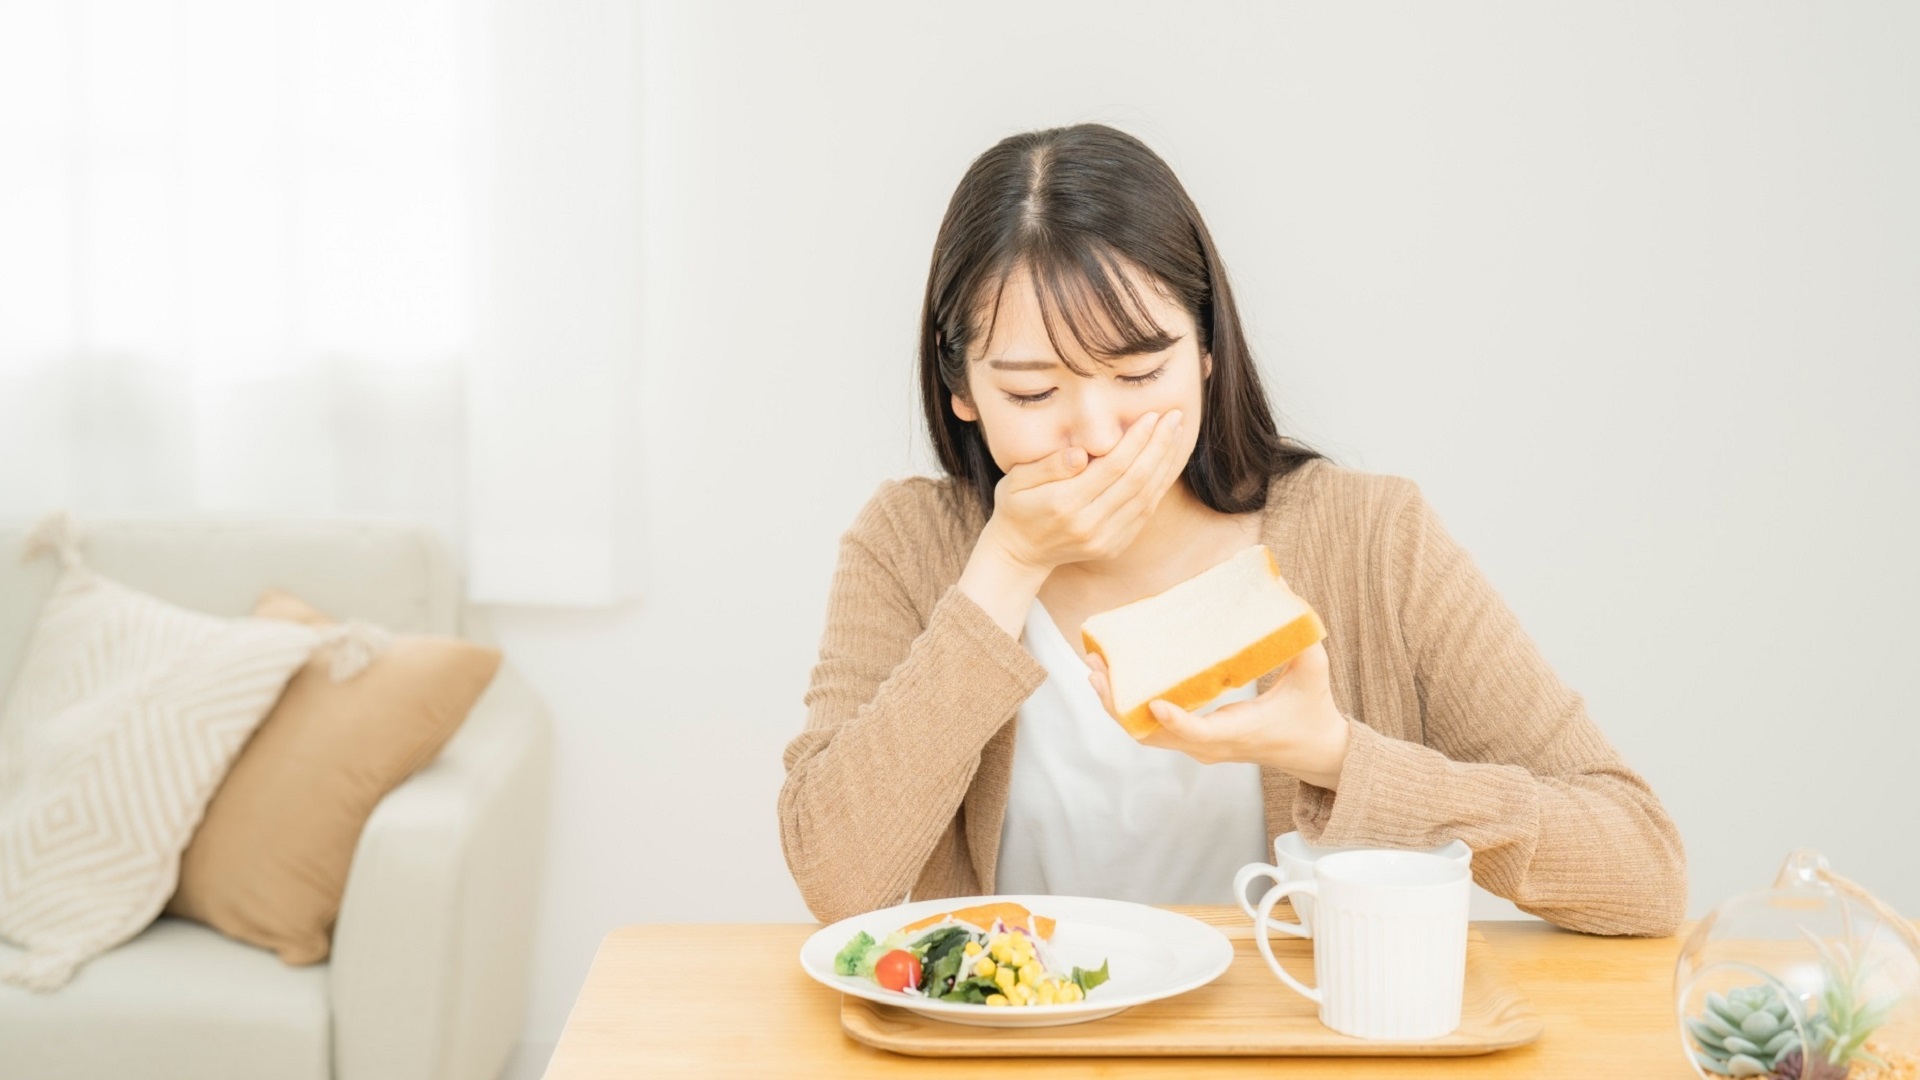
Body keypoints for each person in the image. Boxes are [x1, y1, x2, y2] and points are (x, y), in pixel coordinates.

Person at [778, 123, 1685, 936]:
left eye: (1139, 375)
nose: (1098, 436)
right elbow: (840, 881)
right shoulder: (909, 544)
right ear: (963, 392)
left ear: (1209, 351)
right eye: (1033, 392)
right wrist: (1007, 566)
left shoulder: (1370, 536)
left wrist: (1336, 755)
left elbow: (1642, 868)